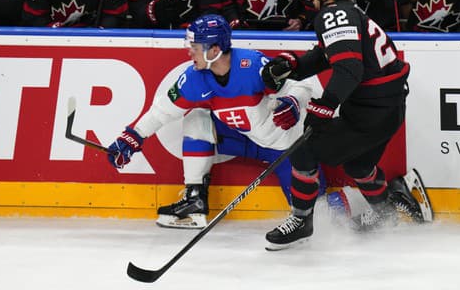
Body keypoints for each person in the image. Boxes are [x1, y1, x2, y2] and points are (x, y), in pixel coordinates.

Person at [262, 0, 432, 250]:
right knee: (359, 163)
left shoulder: (332, 15)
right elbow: (329, 56)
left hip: (371, 109)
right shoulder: (347, 12)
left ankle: (302, 220)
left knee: (303, 149)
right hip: (388, 108)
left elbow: (349, 69)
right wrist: (293, 65)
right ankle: (387, 211)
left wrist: (324, 106)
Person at [106, 14, 315, 229]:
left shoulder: (252, 66)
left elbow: (301, 85)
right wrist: (133, 136)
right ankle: (195, 200)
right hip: (244, 139)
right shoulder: (195, 77)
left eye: (195, 47)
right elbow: (162, 111)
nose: (189, 51)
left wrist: (293, 101)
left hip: (286, 147)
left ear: (214, 50)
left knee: (316, 213)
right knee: (196, 118)